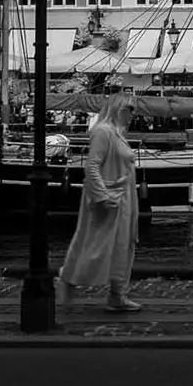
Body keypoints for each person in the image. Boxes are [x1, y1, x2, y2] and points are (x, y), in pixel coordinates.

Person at [58, 95, 141, 313]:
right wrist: (102, 195)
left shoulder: (118, 134)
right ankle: (68, 278)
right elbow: (92, 166)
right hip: (110, 198)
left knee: (122, 246)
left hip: (123, 199)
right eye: (129, 110)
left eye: (133, 110)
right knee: (94, 245)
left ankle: (117, 295)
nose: (132, 115)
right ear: (117, 109)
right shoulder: (103, 132)